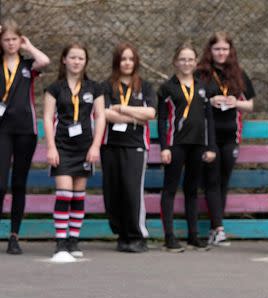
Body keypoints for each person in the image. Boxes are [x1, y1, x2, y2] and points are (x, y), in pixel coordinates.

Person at [43, 42, 105, 259]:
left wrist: (96, 146)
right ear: (64, 60)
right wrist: (50, 147)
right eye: (73, 57)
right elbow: (47, 118)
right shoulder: (54, 89)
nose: (76, 61)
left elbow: (101, 117)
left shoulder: (94, 88)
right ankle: (60, 241)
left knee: (78, 195)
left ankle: (73, 241)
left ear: (85, 62)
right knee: (64, 193)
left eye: (81, 58)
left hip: (85, 148)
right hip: (62, 147)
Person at [197, 31, 255, 247]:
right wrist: (210, 101)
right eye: (216, 49)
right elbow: (193, 100)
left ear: (230, 51)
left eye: (224, 49)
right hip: (208, 134)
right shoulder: (201, 73)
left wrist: (234, 102)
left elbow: (250, 104)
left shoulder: (238, 73)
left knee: (223, 181)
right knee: (211, 180)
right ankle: (218, 228)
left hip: (231, 134)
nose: (221, 53)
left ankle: (215, 227)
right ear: (210, 51)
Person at [157, 41, 216, 253]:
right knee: (170, 189)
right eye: (182, 59)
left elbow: (209, 119)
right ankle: (169, 237)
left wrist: (211, 147)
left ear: (196, 62)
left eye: (190, 59)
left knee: (192, 190)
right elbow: (162, 120)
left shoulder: (203, 87)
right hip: (176, 144)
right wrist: (164, 147)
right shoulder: (167, 87)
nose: (186, 63)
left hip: (198, 144)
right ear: (175, 62)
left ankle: (193, 236)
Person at [101, 42, 157, 253]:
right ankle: (122, 234)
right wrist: (135, 115)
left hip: (135, 146)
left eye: (131, 59)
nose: (127, 63)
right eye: (123, 59)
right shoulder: (107, 86)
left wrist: (122, 108)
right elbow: (104, 113)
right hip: (110, 145)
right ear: (117, 61)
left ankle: (137, 235)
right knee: (113, 192)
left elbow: (150, 113)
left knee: (132, 190)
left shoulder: (145, 86)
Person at [0, 19, 49, 254]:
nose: (10, 43)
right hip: (2, 130)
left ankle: (14, 236)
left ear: (20, 40)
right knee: (0, 184)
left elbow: (45, 61)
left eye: (14, 39)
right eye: (6, 39)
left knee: (19, 183)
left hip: (25, 130)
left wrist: (28, 46)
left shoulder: (28, 64)